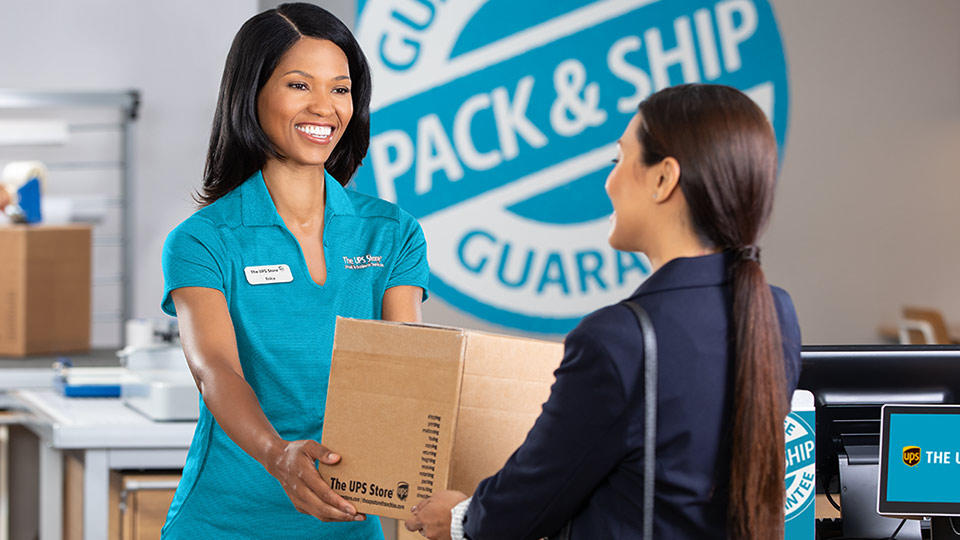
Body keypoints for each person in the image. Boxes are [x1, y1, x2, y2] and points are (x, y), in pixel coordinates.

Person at [405, 84, 802, 540]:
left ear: (662, 179)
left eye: (619, 160)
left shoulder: (620, 339)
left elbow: (532, 500)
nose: (608, 182)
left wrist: (459, 519)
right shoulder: (778, 312)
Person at [159, 4, 428, 538]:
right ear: (251, 93)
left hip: (347, 522)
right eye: (300, 85)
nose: (324, 108)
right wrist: (277, 454)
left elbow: (408, 372)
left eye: (341, 89)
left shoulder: (392, 233)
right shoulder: (201, 241)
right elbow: (216, 370)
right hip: (224, 521)